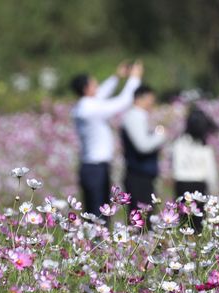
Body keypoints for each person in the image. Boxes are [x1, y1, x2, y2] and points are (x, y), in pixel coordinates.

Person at [71, 61, 143, 217]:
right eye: (93, 83)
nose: (97, 85)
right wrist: (134, 79)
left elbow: (101, 94)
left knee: (96, 211)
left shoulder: (82, 106)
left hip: (91, 167)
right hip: (96, 168)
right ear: (86, 89)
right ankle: (96, 241)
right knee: (98, 214)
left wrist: (117, 77)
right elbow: (122, 102)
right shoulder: (90, 109)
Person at [121, 85, 166, 220]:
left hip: (141, 172)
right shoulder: (135, 116)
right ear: (140, 99)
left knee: (142, 216)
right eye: (150, 99)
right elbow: (143, 146)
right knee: (141, 218)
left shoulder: (137, 116)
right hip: (138, 173)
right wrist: (160, 136)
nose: (151, 103)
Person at [172, 106, 219, 233]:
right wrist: (214, 192)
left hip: (181, 183)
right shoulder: (204, 146)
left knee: (183, 222)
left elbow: (175, 166)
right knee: (197, 224)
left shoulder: (179, 142)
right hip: (198, 185)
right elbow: (210, 172)